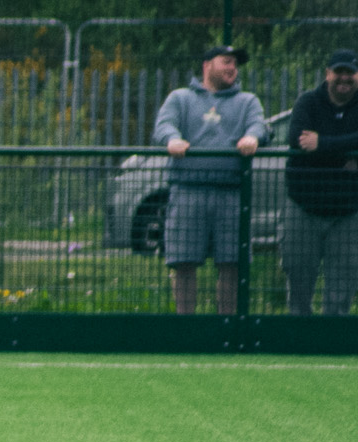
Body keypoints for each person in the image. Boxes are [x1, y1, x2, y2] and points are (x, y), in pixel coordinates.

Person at [153, 42, 267, 317]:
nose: (232, 68)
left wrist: (253, 136)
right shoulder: (181, 98)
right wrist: (173, 139)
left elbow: (259, 125)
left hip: (231, 192)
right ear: (207, 66)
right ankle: (185, 326)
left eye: (234, 64)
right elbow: (163, 125)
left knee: (232, 263)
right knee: (183, 262)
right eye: (226, 61)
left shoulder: (247, 101)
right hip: (188, 190)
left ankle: (226, 324)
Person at [278, 49, 358, 318]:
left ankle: (332, 341)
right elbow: (297, 140)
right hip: (304, 204)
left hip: (349, 211)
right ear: (327, 74)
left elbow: (313, 145)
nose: (344, 78)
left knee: (343, 280)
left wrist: (322, 144)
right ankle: (299, 337)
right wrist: (346, 156)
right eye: (339, 72)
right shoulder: (308, 102)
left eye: (350, 72)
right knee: (297, 271)